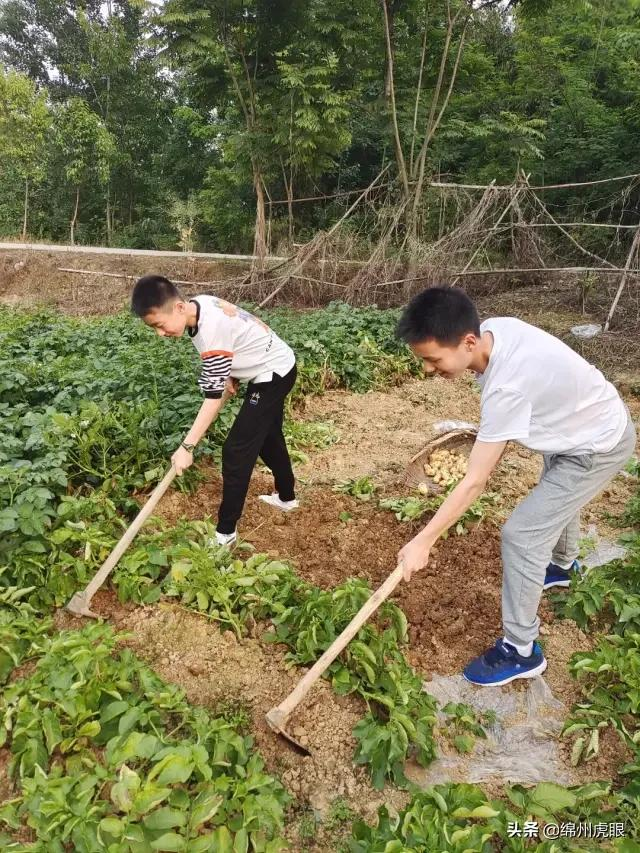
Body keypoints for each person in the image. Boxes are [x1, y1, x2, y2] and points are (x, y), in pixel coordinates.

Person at [395, 287, 636, 687]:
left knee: (522, 536)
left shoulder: (506, 385)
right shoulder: (495, 330)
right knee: (556, 491)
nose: (428, 370)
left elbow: (474, 482)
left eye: (433, 360)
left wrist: (424, 541)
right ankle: (561, 566)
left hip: (598, 443)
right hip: (579, 422)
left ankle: (521, 650)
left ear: (467, 342)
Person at [131, 275, 299, 546]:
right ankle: (287, 498)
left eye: (159, 325)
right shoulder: (200, 305)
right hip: (276, 362)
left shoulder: (210, 334)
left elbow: (213, 395)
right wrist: (228, 374)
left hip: (273, 372)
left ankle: (225, 534)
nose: (160, 334)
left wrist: (187, 447)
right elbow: (232, 340)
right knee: (267, 437)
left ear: (178, 307)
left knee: (236, 450)